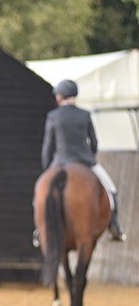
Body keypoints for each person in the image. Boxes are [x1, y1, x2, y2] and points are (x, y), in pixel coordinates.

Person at [42, 79, 126, 242]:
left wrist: (47, 169)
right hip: (85, 161)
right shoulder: (84, 115)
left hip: (60, 161)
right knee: (111, 191)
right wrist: (89, 158)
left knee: (42, 192)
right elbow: (94, 144)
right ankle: (114, 225)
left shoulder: (52, 117)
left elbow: (47, 148)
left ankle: (40, 229)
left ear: (60, 97)